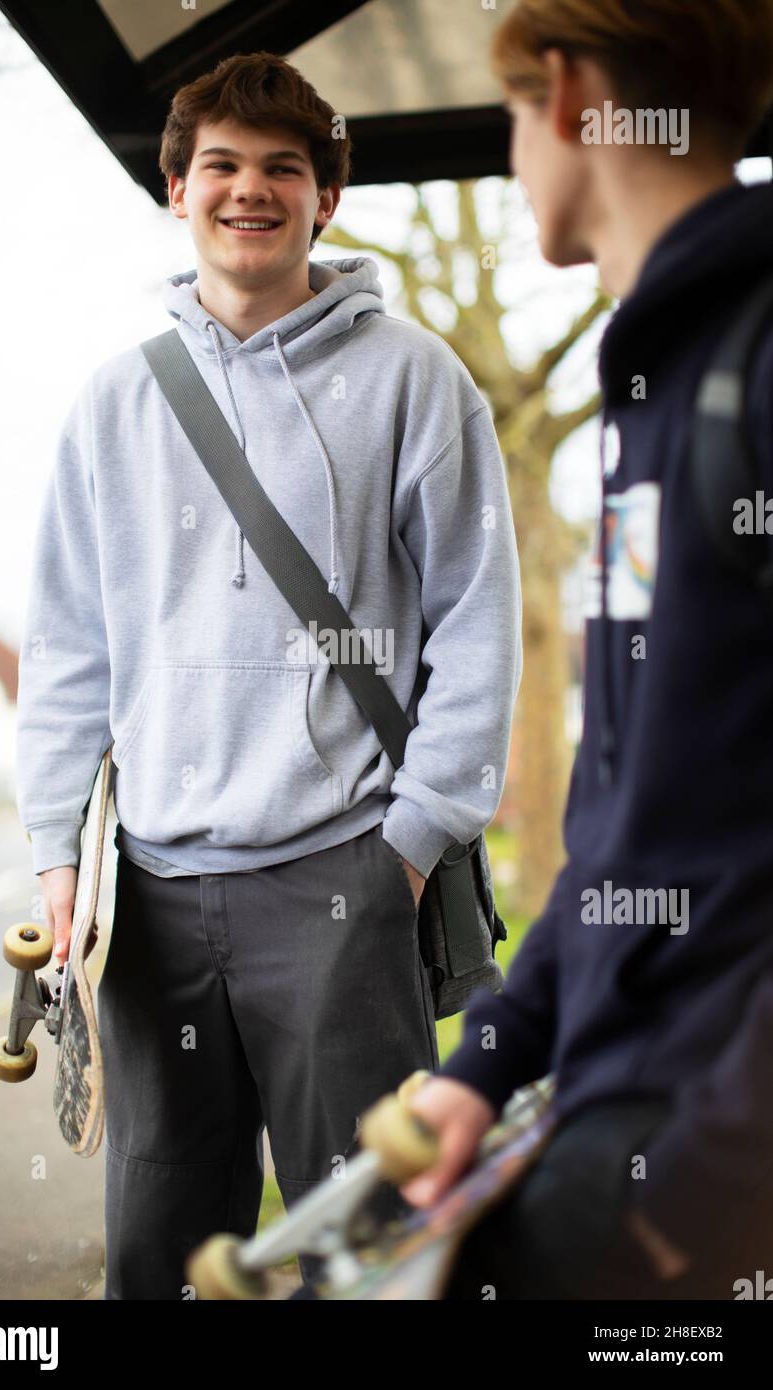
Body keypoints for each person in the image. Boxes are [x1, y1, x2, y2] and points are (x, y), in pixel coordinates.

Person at [14, 51, 521, 1298]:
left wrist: (408, 843)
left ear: (324, 200)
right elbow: (71, 648)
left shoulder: (417, 381)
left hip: (344, 879)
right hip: (153, 904)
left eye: (282, 169)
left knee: (373, 1253)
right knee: (159, 1253)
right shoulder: (112, 405)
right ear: (174, 188)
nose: (251, 190)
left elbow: (475, 621)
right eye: (223, 167)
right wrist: (57, 854)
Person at [386, 0, 773, 1301]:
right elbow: (627, 833)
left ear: (562, 97)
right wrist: (481, 1065)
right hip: (619, 1140)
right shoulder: (653, 386)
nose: (508, 159)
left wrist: (704, 1189)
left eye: (506, 118)